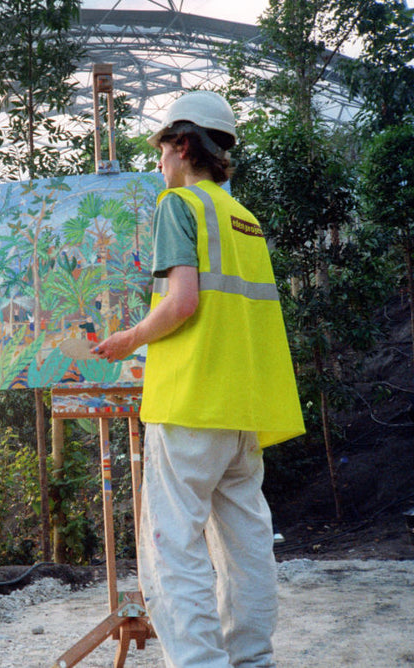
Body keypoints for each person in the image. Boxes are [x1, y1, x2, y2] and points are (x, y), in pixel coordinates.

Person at [93, 90, 305, 668]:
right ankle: (252, 661)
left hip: (189, 405)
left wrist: (128, 340)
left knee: (173, 549)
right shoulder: (245, 220)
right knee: (246, 546)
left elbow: (182, 302)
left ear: (183, 145)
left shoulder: (178, 205)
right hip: (243, 409)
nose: (160, 164)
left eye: (162, 150)